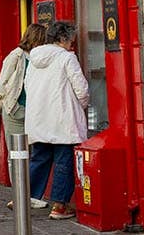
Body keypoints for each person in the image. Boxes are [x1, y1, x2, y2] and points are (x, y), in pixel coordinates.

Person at [24, 21, 89, 221]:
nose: (72, 44)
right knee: (63, 162)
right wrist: (83, 106)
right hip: (62, 119)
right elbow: (82, 89)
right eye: (71, 40)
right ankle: (60, 206)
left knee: (40, 158)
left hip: (38, 118)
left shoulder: (34, 58)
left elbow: (27, 86)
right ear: (62, 39)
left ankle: (27, 197)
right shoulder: (67, 58)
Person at [0, 23, 48, 211]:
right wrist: (10, 100)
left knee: (35, 152)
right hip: (15, 109)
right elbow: (3, 83)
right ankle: (18, 195)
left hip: (35, 111)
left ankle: (30, 194)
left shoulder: (41, 58)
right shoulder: (16, 56)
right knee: (17, 153)